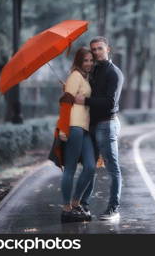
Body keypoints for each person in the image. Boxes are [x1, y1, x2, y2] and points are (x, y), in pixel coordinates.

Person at [75, 36, 124, 220]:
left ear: (108, 49)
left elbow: (110, 103)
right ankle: (83, 205)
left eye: (99, 49)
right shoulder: (94, 70)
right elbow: (89, 92)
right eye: (93, 49)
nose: (96, 52)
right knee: (89, 167)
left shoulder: (114, 73)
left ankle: (113, 208)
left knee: (113, 168)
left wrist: (85, 100)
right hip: (93, 125)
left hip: (107, 125)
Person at [59, 47, 95, 223]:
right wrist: (63, 128)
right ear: (79, 61)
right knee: (71, 168)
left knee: (90, 166)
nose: (88, 63)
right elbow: (66, 103)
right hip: (74, 126)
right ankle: (66, 208)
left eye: (90, 60)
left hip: (85, 128)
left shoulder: (83, 77)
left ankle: (75, 202)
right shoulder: (75, 76)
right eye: (85, 60)